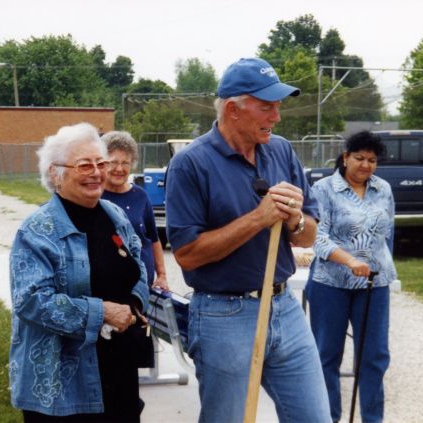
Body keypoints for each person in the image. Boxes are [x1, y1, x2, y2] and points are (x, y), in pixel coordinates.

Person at [165, 57, 332, 423]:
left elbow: (309, 236)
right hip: (223, 315)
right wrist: (258, 219)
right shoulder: (191, 164)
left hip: (284, 307)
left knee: (316, 418)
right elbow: (188, 255)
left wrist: (292, 220)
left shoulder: (281, 150)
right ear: (232, 109)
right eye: (266, 107)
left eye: (278, 106)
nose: (276, 117)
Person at [8, 122, 150, 422]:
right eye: (85, 165)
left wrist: (134, 306)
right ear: (55, 173)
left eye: (101, 163)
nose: (97, 172)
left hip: (118, 370)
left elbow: (138, 265)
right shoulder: (37, 231)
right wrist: (102, 313)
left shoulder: (115, 216)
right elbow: (31, 301)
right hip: (62, 385)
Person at [305, 131, 397, 423]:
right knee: (326, 356)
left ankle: (372, 418)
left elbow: (388, 233)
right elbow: (317, 239)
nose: (366, 165)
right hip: (331, 284)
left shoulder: (383, 189)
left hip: (374, 285)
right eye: (359, 158)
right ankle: (329, 417)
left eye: (372, 160)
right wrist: (350, 261)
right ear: (345, 157)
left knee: (374, 357)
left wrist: (382, 266)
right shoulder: (323, 189)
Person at [101, 130, 168, 291]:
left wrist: (162, 276)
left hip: (143, 288)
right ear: (103, 163)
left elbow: (153, 239)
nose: (119, 168)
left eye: (125, 163)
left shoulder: (141, 196)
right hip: (108, 289)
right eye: (113, 162)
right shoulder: (95, 197)